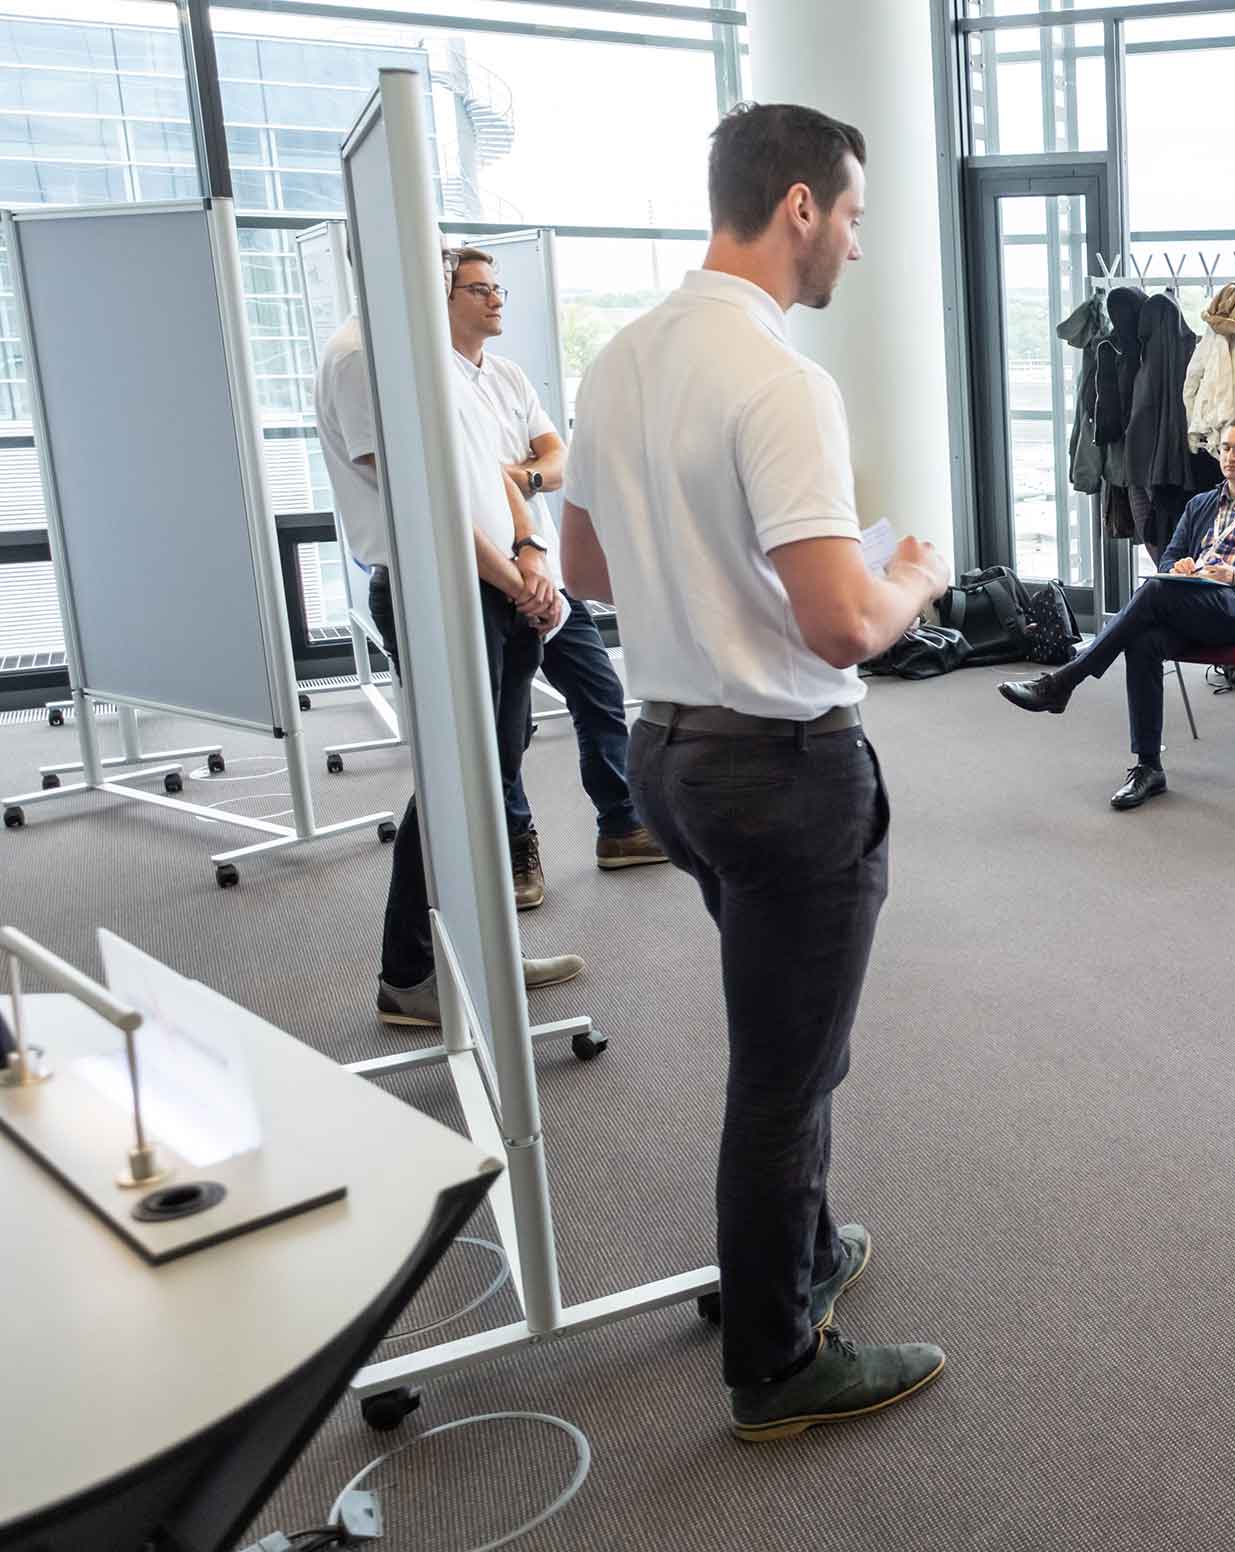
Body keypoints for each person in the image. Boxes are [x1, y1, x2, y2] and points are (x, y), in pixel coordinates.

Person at [558, 103, 955, 1441]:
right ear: (798, 209)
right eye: (851, 214)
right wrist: (912, 579)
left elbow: (586, 578)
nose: (855, 240)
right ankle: (776, 1363)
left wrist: (701, 566)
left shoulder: (617, 361)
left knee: (782, 1040)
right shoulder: (782, 381)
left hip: (669, 756)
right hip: (782, 774)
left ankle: (784, 1256)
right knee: (787, 1072)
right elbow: (842, 623)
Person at [315, 316, 584, 1030]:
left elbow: (493, 476)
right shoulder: (360, 360)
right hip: (442, 590)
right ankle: (409, 976)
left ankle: (481, 949)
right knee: (453, 782)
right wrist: (516, 579)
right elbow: (424, 501)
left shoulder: (431, 358)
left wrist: (528, 548)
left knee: (488, 781)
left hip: (492, 586)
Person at [440, 245, 667, 908]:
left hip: (541, 564)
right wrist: (515, 472)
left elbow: (559, 462)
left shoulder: (507, 377)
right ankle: (515, 852)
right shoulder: (438, 383)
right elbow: (456, 487)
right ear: (445, 300)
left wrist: (512, 474)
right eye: (479, 289)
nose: (495, 298)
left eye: (497, 287)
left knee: (598, 691)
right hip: (485, 576)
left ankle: (621, 825)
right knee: (504, 730)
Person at [996, 415, 1235, 811]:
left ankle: (1064, 681)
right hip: (1201, 606)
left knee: (1156, 592)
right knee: (1143, 641)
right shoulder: (1201, 505)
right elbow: (1173, 556)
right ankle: (1149, 767)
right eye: (1226, 447)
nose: (1230, 456)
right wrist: (1179, 567)